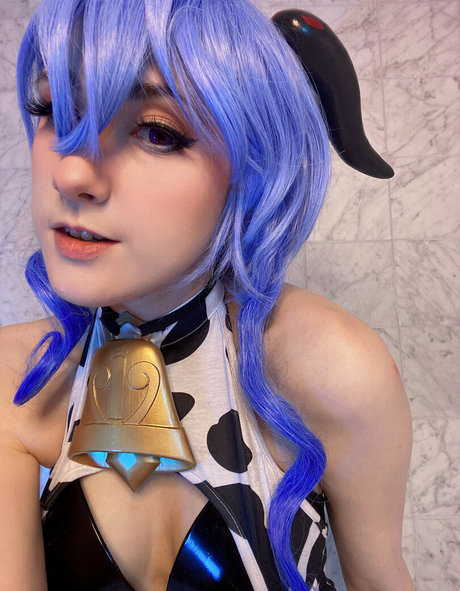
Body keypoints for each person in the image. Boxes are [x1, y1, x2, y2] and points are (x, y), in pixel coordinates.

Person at [0, 0, 414, 590]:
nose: (70, 173)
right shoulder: (16, 381)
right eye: (53, 109)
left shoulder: (331, 368)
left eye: (157, 132)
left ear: (251, 165)